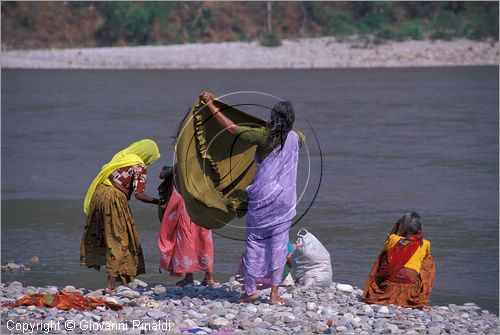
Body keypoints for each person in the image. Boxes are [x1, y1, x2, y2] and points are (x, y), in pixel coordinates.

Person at [199, 91, 305, 304]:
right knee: (279, 243)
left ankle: (250, 290)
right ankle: (274, 294)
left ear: (273, 118)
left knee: (255, 241)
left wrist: (211, 105)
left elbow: (231, 129)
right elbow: (297, 135)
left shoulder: (263, 135)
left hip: (264, 197)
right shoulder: (297, 138)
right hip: (285, 199)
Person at [81, 139, 161, 293]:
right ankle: (110, 285)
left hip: (99, 195)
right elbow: (139, 194)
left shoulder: (123, 158)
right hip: (114, 199)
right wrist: (159, 202)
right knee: (120, 239)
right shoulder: (139, 166)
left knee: (105, 235)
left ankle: (114, 279)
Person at [362, 211, 435, 308]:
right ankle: (423, 292)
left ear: (403, 226)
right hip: (411, 292)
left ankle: (378, 283)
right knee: (427, 261)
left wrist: (397, 225)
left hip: (388, 288)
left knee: (385, 254)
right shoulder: (425, 244)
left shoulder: (393, 239)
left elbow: (388, 242)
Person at [157, 167, 217, 287]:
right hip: (204, 203)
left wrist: (173, 169)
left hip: (186, 205)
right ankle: (208, 277)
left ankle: (189, 277)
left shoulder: (182, 165)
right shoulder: (205, 167)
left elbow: (162, 175)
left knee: (186, 237)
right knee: (204, 238)